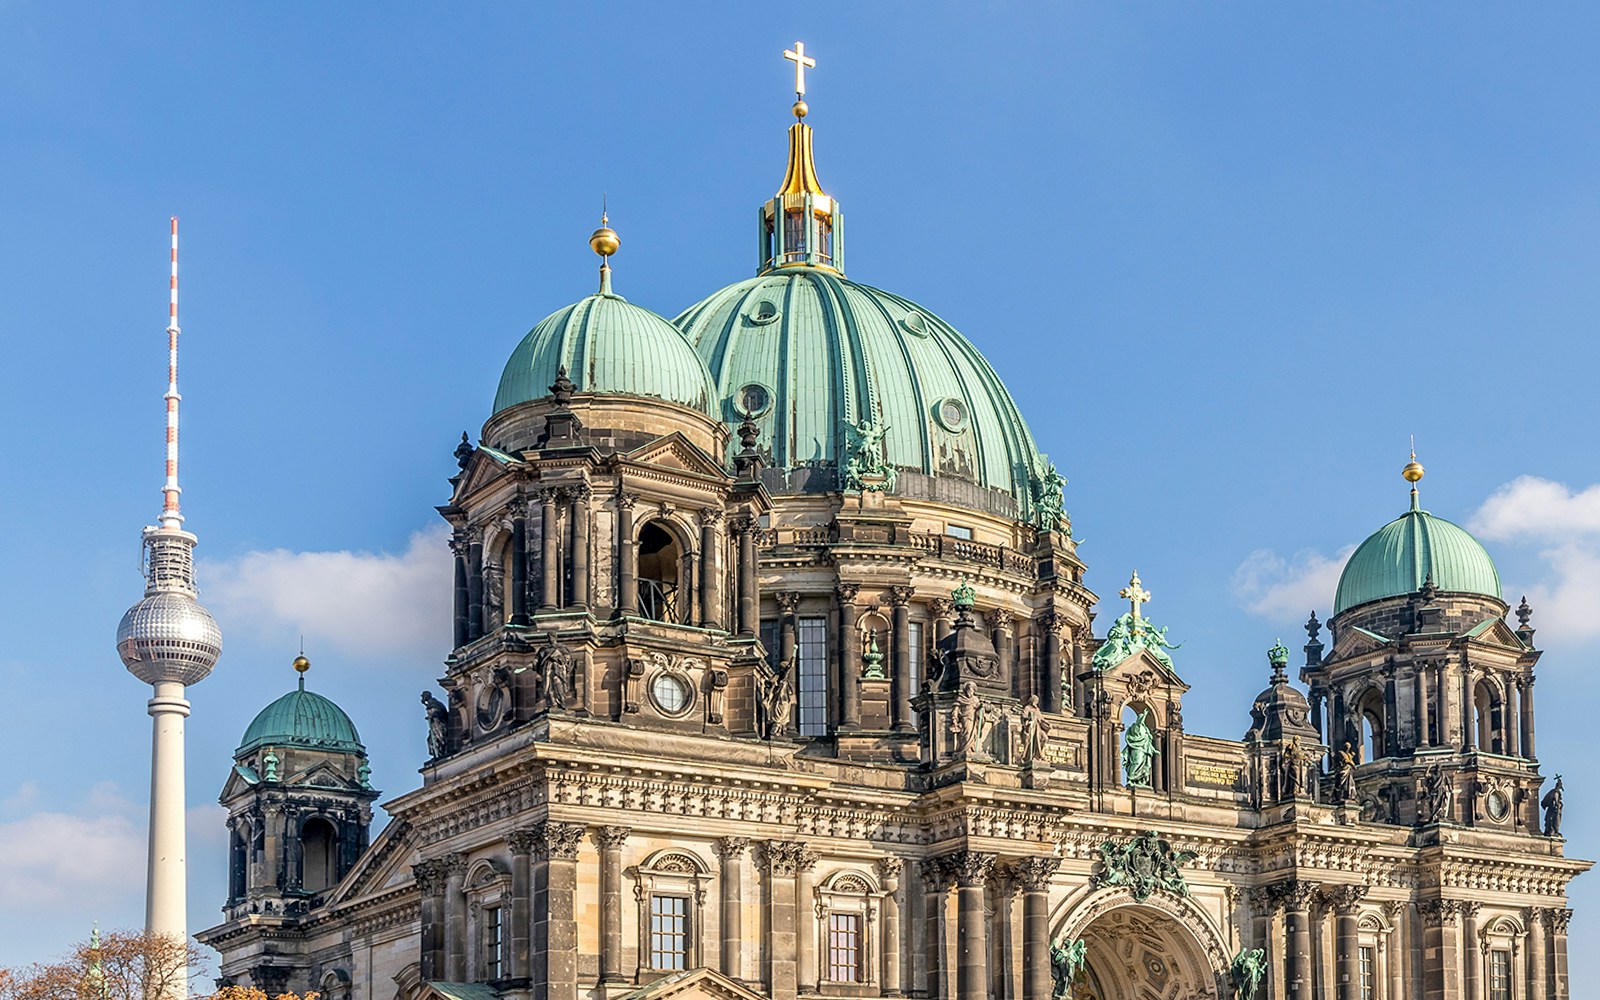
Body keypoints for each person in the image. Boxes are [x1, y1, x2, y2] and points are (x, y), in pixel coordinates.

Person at [1122, 710, 1159, 787]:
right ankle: (1131, 778)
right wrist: (1144, 715)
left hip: (1144, 750)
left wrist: (1154, 750)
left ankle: (1140, 781)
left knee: (1144, 766)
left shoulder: (1146, 730)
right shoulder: (1135, 726)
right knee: (1137, 762)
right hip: (1136, 748)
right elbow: (1139, 723)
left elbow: (1148, 742)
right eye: (1141, 718)